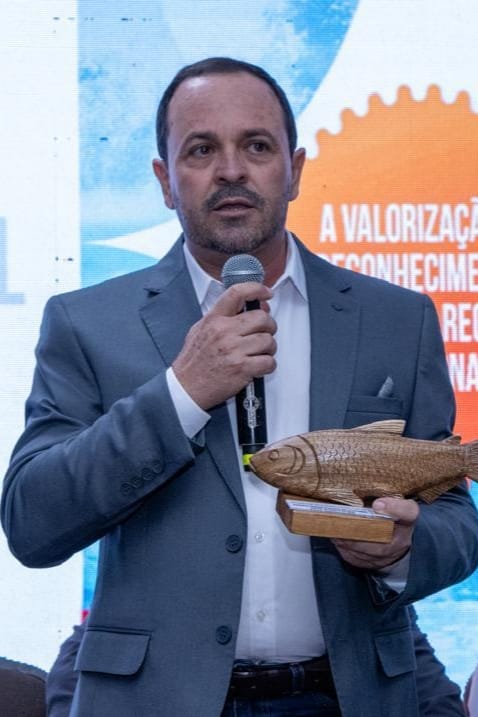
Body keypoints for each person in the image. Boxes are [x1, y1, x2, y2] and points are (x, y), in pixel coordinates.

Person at [2, 57, 477, 717]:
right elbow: (33, 522)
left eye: (256, 146)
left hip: (346, 698)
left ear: (295, 169)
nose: (231, 170)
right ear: (165, 181)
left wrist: (402, 551)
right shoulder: (87, 323)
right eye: (201, 150)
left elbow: (455, 517)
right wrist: (182, 392)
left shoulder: (397, 319)